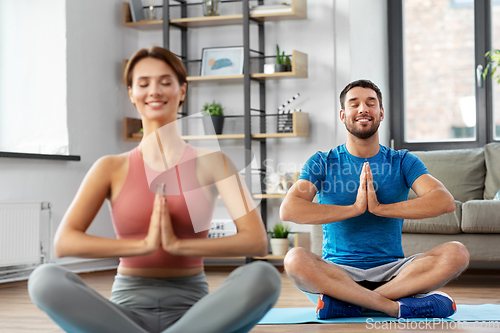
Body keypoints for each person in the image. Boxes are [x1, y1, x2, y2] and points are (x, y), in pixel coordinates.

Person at [28, 46, 281, 333]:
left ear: (182, 90)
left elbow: (256, 241)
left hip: (197, 317)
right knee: (44, 279)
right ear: (131, 93)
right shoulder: (110, 167)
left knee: (264, 275)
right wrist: (143, 246)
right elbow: (65, 244)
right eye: (143, 83)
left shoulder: (214, 163)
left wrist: (179, 246)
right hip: (122, 316)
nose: (154, 91)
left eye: (165, 81)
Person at [280, 79, 469, 319]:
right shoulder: (322, 161)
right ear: (343, 114)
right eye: (354, 104)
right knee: (295, 259)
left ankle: (353, 304)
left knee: (457, 253)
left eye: (371, 103)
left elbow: (444, 201)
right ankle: (391, 306)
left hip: (394, 272)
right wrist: (356, 208)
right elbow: (289, 210)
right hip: (338, 272)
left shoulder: (402, 161)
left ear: (381, 113)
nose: (363, 109)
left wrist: (380, 208)